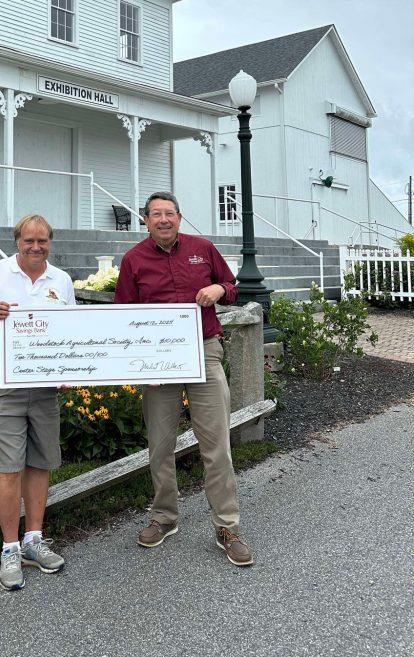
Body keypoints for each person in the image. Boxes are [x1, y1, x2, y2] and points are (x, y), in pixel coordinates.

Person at [114, 191, 253, 567]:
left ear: (180, 217)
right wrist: (141, 361)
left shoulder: (203, 249)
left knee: (216, 442)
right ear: (145, 220)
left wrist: (219, 289)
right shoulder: (133, 260)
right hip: (158, 361)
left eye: (169, 213)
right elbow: (123, 315)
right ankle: (164, 517)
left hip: (204, 351)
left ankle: (227, 525)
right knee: (160, 444)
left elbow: (233, 288)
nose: (163, 219)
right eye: (155, 214)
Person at [0, 214, 77, 590]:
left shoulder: (60, 280)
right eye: (29, 240)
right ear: (17, 242)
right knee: (9, 467)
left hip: (44, 385)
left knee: (40, 462)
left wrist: (66, 369)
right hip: (3, 382)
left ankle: (34, 540)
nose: (36, 247)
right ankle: (9, 548)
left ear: (50, 242)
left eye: (42, 241)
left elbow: (70, 330)